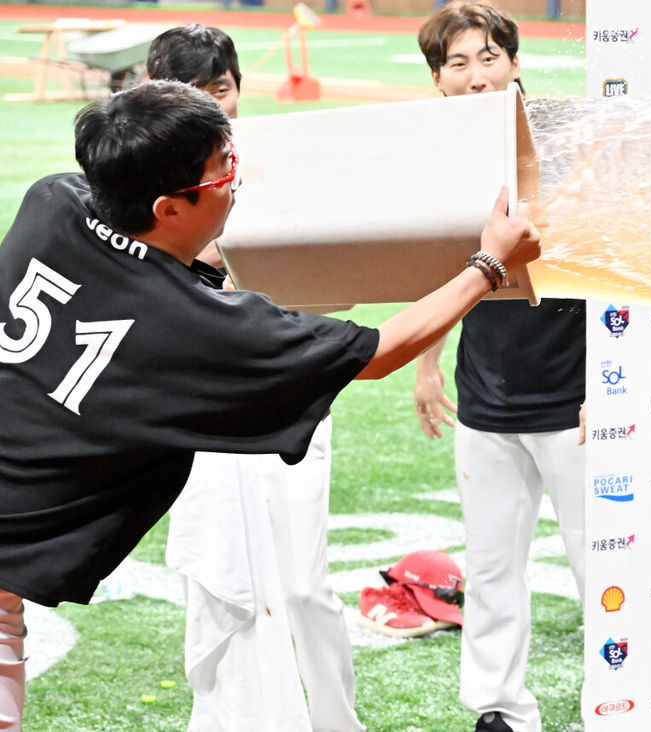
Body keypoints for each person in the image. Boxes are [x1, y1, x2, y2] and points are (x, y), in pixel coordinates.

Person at [0, 79, 539, 731]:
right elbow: (380, 351)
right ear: (168, 208)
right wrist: (489, 263)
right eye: (223, 170)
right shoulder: (193, 329)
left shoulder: (48, 201)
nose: (237, 179)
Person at [146, 25, 360, 731]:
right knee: (225, 580)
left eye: (221, 90)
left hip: (288, 394)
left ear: (239, 87)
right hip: (200, 408)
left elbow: (340, 297)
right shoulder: (135, 180)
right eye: (191, 93)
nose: (215, 108)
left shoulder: (282, 170)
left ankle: (334, 721)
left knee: (302, 586)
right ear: (153, 92)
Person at [415, 4, 586, 731]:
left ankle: (622, 706)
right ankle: (499, 709)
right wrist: (427, 365)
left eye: (489, 57)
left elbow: (611, 272)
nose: (477, 75)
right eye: (458, 63)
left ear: (515, 62)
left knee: (602, 567)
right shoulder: (436, 155)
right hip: (486, 397)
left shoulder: (564, 142)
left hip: (576, 400)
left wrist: (611, 389)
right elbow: (425, 263)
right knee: (489, 570)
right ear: (438, 80)